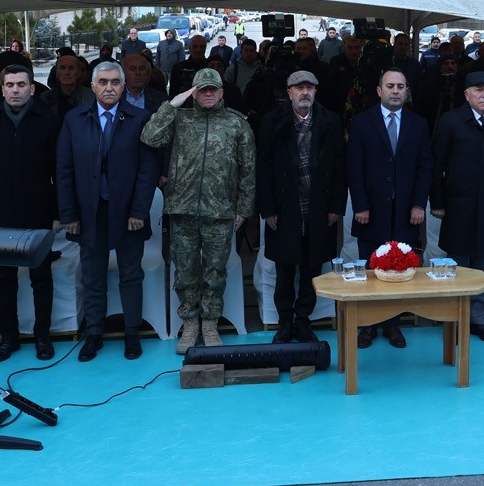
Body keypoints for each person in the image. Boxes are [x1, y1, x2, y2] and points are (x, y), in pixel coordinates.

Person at [143, 68, 254, 355]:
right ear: (193, 92)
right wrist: (173, 104)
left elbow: (248, 170)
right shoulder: (180, 120)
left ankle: (210, 323)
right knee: (186, 271)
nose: (207, 94)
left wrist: (243, 208)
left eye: (212, 89)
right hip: (183, 208)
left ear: (221, 92)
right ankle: (190, 323)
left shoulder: (236, 124)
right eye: (201, 89)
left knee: (215, 271)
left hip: (220, 210)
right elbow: (149, 137)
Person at [57, 62, 162, 361]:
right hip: (89, 213)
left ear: (123, 85)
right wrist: (69, 215)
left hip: (129, 212)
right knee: (92, 276)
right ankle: (94, 334)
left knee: (131, 274)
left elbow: (148, 170)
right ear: (92, 86)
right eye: (103, 82)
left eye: (115, 82)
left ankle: (131, 333)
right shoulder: (74, 119)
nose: (109, 87)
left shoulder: (140, 118)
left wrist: (139, 210)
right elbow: (64, 170)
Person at [0, 65, 62, 361]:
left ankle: (42, 337)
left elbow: (58, 172)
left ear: (32, 89)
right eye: (9, 84)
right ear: (1, 89)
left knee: (41, 278)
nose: (15, 90)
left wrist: (58, 213)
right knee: (3, 278)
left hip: (38, 211)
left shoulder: (47, 121)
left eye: (21, 84)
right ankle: (8, 337)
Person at [430, 71, 484, 344]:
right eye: (479, 90)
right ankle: (454, 318)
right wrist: (438, 202)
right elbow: (436, 165)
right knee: (457, 264)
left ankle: (478, 320)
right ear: (466, 94)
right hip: (458, 205)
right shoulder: (451, 121)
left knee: (483, 266)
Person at [256, 71, 346, 343]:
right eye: (299, 88)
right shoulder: (272, 122)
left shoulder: (330, 121)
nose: (305, 92)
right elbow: (263, 167)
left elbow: (340, 168)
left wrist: (336, 207)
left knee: (312, 268)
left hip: (319, 206)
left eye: (310, 87)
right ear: (289, 92)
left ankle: (304, 321)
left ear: (316, 91)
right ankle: (285, 322)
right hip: (284, 208)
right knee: (284, 270)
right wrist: (267, 208)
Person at [348, 68, 432, 349]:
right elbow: (354, 168)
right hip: (370, 210)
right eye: (390, 86)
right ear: (379, 90)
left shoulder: (419, 124)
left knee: (399, 270)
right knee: (370, 269)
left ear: (407, 91)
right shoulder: (361, 123)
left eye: (401, 86)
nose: (395, 91)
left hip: (406, 211)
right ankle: (367, 326)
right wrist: (360, 204)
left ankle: (393, 325)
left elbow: (424, 168)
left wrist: (419, 204)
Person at [41, 53, 95, 117]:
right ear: (56, 72)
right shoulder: (45, 98)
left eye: (71, 68)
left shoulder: (90, 97)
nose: (67, 72)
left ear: (79, 72)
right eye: (62, 68)